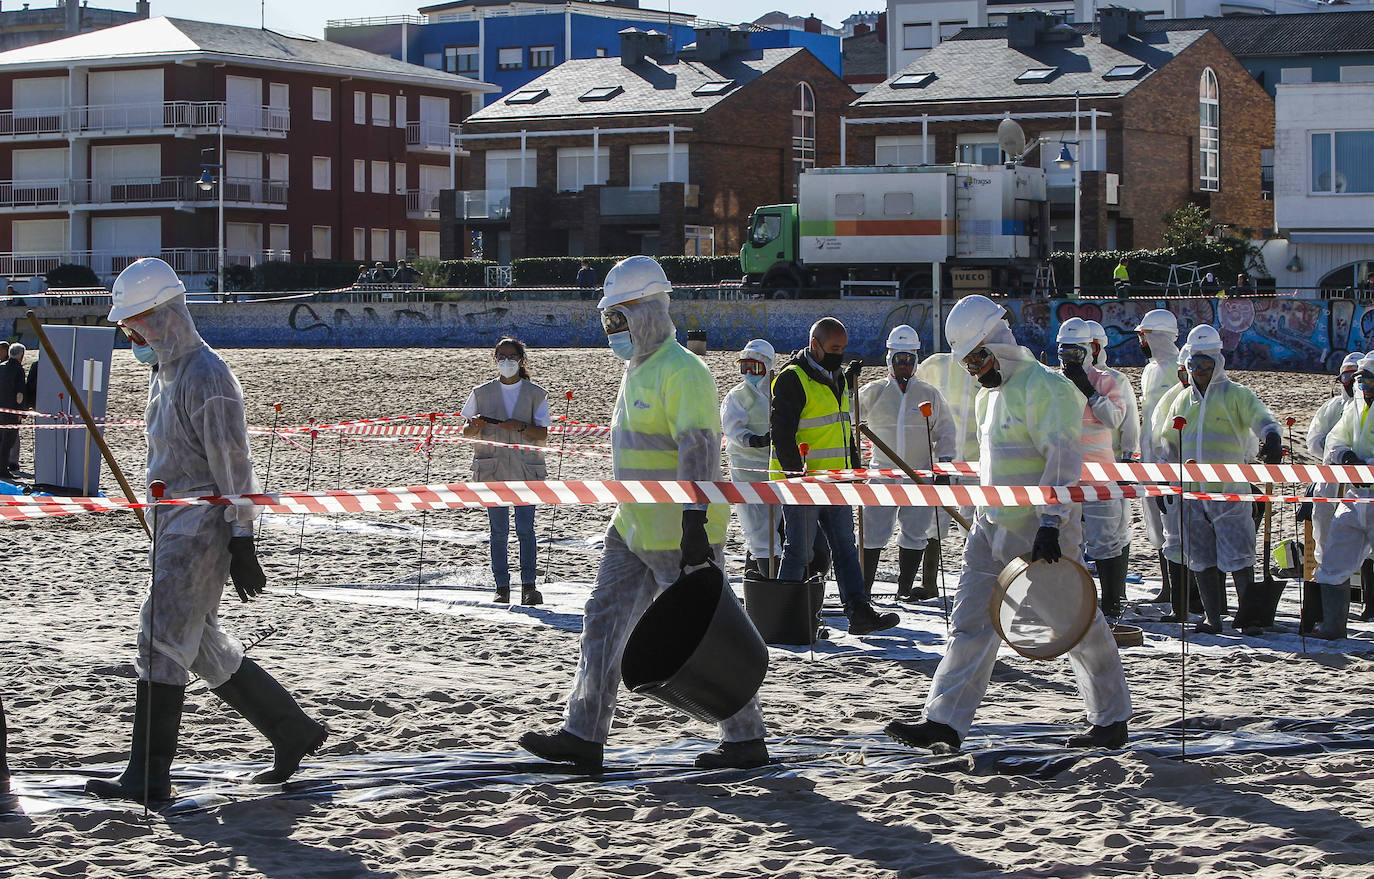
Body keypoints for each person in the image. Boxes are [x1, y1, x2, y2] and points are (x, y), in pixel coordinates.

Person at [86, 258, 326, 803]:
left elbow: (233, 466)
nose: (130, 335)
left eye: (135, 323)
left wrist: (243, 539)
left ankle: (148, 774)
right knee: (202, 647)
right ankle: (293, 730)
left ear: (164, 315)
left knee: (160, 639)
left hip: (200, 533)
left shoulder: (206, 375)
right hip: (171, 526)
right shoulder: (164, 373)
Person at [518, 256, 769, 771]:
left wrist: (695, 523)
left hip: (678, 534)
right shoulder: (637, 372)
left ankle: (745, 738)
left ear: (647, 313)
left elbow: (698, 452)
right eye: (608, 321)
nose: (612, 331)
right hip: (632, 527)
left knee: (704, 637)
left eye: (618, 320)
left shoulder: (684, 371)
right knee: (602, 622)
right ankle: (584, 734)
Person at [885, 295, 1132, 751]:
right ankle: (944, 722)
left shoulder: (1050, 389)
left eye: (978, 358)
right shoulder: (988, 400)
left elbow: (1062, 460)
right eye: (967, 364)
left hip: (1042, 533)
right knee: (970, 625)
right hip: (990, 529)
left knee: (1075, 623)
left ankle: (1111, 718)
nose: (976, 370)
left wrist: (1050, 524)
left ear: (999, 343)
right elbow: (993, 467)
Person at [770, 317, 899, 635]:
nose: (839, 354)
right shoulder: (792, 378)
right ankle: (788, 617)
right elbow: (781, 433)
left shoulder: (837, 377)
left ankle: (858, 611)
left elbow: (844, 429)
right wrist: (794, 475)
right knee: (799, 550)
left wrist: (855, 469)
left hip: (838, 481)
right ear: (814, 345)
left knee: (845, 546)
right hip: (803, 481)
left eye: (842, 349)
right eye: (833, 349)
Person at [1155, 325, 1282, 635]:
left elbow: (1262, 418)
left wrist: (1272, 436)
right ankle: (1212, 617)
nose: (1199, 371)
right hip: (1192, 493)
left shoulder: (1237, 395)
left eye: (1206, 364)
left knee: (1239, 554)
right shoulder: (1183, 400)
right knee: (1200, 556)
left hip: (1230, 491)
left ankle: (1248, 617)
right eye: (1194, 365)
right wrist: (1163, 480)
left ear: (1218, 362)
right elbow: (1167, 443)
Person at [858, 325, 955, 601]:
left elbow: (945, 432)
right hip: (882, 475)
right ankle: (863, 589)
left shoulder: (929, 394)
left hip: (919, 476)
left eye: (909, 359)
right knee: (872, 531)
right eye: (899, 359)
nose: (904, 365)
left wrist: (944, 467)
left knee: (915, 532)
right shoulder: (873, 392)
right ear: (889, 359)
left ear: (916, 360)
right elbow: (848, 415)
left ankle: (904, 590)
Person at [461, 338, 550, 606]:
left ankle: (529, 587)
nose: (506, 361)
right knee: (498, 531)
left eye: (511, 356)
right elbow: (466, 432)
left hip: (526, 469)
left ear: (521, 360)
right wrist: (474, 426)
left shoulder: (536, 393)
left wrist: (521, 427)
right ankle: (501, 586)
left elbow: (543, 432)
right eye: (501, 356)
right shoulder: (481, 392)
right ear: (495, 359)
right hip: (493, 469)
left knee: (526, 530)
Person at [1134, 309, 1183, 606]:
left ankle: (1179, 589)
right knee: (1157, 526)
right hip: (1150, 461)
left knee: (1175, 529)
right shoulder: (1150, 369)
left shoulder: (1176, 369)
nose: (1141, 340)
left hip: (1169, 462)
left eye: (1145, 335)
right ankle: (1168, 586)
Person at [720, 339, 777, 579]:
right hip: (745, 469)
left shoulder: (778, 392)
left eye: (754, 368)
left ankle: (755, 576)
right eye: (744, 367)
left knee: (771, 527)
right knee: (758, 528)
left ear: (768, 366)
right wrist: (753, 440)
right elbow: (731, 429)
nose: (748, 374)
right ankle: (769, 581)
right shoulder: (737, 396)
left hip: (774, 468)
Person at [0, 342, 27, 482]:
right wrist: (20, 412)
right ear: (21, 356)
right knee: (8, 442)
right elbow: (20, 394)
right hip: (11, 411)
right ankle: (3, 470)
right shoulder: (19, 370)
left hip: (0, 409)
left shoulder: (1, 367)